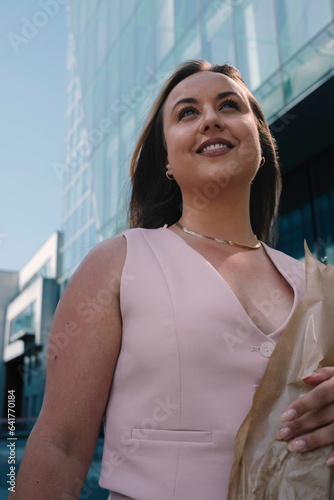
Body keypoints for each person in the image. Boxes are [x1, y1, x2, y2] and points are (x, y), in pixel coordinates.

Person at [10, 60, 334, 500]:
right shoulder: (117, 263)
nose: (211, 119)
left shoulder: (317, 284)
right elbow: (59, 447)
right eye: (187, 112)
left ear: (258, 139)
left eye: (228, 105)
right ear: (165, 159)